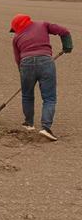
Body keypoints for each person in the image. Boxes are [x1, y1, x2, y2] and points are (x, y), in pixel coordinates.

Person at [10, 13, 73, 141]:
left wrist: (23, 74)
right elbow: (64, 31)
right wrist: (67, 46)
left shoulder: (16, 37)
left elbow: (18, 59)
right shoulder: (43, 24)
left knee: (27, 95)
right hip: (45, 62)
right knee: (49, 98)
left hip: (26, 65)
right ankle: (46, 128)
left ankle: (29, 124)